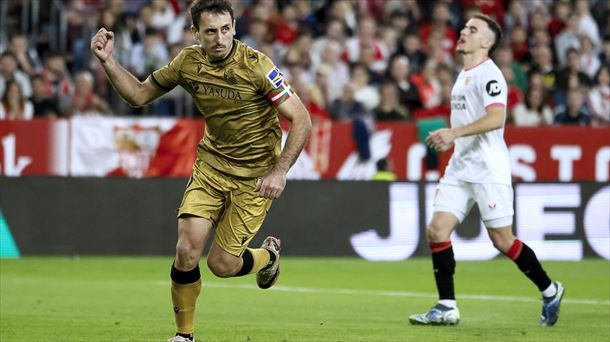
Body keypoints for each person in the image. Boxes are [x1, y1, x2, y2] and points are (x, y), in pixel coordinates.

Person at [90, 1, 312, 341]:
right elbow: (138, 94)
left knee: (221, 265)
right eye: (210, 31)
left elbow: (301, 119)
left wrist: (280, 171)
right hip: (211, 168)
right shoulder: (187, 62)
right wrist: (108, 61)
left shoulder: (258, 67)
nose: (220, 38)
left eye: (225, 29)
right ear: (196, 33)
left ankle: (267, 256)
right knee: (186, 250)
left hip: (254, 178)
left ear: (234, 27)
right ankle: (184, 335)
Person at [410, 13, 564, 327]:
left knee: (502, 240)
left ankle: (550, 289)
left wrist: (453, 133)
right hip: (460, 166)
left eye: (473, 29)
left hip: (488, 168)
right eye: (465, 27)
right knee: (437, 230)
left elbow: (497, 118)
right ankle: (446, 306)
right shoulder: (463, 74)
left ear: (486, 42)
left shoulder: (489, 75)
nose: (464, 32)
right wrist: (454, 138)